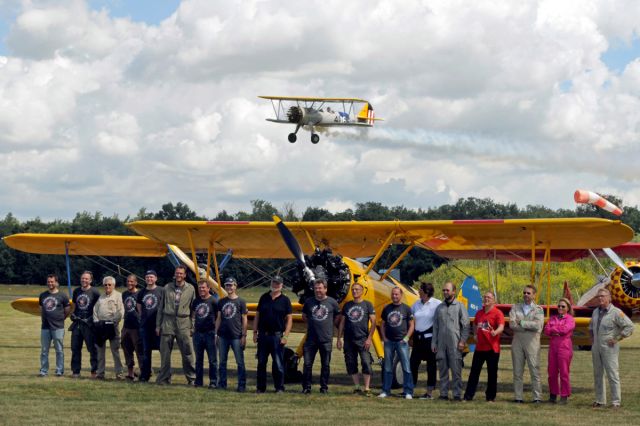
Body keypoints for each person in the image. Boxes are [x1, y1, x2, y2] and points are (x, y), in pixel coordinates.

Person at [590, 288, 634, 409]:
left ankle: (615, 402)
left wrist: (618, 338)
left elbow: (629, 326)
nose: (600, 298)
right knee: (598, 373)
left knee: (612, 374)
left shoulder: (616, 312)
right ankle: (600, 400)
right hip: (596, 347)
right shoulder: (595, 312)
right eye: (598, 296)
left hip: (610, 347)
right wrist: (592, 339)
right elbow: (591, 326)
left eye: (603, 296)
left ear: (609, 298)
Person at [155, 265, 196, 385]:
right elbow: (160, 308)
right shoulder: (167, 287)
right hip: (167, 321)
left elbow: (193, 308)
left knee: (188, 352)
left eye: (181, 273)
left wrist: (193, 325)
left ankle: (192, 378)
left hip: (184, 322)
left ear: (185, 275)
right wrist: (158, 325)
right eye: (177, 273)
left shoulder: (191, 288)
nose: (178, 275)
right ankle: (164, 378)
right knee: (165, 353)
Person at [253, 275, 292, 393]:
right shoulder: (264, 297)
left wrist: (285, 336)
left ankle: (279, 387)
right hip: (263, 336)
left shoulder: (285, 300)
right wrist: (255, 332)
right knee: (261, 362)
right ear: (271, 283)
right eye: (274, 283)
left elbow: (289, 319)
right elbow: (257, 316)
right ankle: (260, 387)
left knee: (278, 364)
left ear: (281, 285)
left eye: (278, 283)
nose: (275, 285)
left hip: (277, 336)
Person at [301, 277, 340, 394]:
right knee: (307, 364)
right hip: (311, 339)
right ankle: (306, 387)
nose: (318, 290)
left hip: (326, 339)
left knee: (326, 365)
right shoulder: (309, 302)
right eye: (316, 288)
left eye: (320, 288)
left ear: (325, 289)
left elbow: (338, 317)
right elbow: (304, 316)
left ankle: (324, 387)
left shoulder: (332, 302)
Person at [463, 291, 504, 402]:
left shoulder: (497, 313)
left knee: (492, 374)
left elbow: (501, 326)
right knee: (474, 373)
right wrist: (475, 334)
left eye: (489, 297)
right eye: (485, 297)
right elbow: (475, 324)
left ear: (493, 300)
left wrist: (496, 332)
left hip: (492, 348)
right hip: (480, 348)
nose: (486, 299)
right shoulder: (479, 313)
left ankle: (490, 397)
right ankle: (468, 396)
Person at [336, 282, 376, 396]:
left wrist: (369, 339)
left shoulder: (368, 304)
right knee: (351, 363)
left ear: (362, 291)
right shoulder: (347, 305)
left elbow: (373, 322)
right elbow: (342, 323)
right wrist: (339, 338)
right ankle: (357, 387)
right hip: (349, 339)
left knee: (366, 362)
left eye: (357, 289)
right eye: (353, 289)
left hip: (363, 338)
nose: (354, 291)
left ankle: (367, 388)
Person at [432, 282, 470, 401]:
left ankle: (457, 394)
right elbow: (435, 327)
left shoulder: (460, 306)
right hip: (441, 343)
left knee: (456, 370)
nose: (445, 292)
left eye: (447, 290)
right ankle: (443, 394)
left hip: (455, 343)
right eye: (443, 290)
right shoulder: (439, 308)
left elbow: (466, 325)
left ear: (454, 291)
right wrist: (434, 343)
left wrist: (462, 341)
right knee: (442, 370)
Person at [509, 285, 544, 403]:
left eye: (529, 293)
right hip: (517, 342)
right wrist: (529, 325)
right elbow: (512, 324)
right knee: (517, 371)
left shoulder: (538, 309)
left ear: (534, 295)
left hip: (532, 343)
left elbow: (538, 325)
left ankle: (537, 397)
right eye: (524, 292)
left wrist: (522, 323)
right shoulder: (515, 307)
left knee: (534, 370)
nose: (526, 295)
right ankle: (518, 397)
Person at [378, 286, 414, 399]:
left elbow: (412, 325)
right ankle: (386, 391)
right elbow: (382, 324)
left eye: (397, 294)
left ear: (401, 295)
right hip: (389, 342)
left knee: (406, 367)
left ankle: (408, 391)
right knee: (387, 367)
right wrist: (384, 337)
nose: (394, 296)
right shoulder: (387, 308)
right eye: (393, 294)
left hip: (402, 342)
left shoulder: (407, 309)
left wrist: (406, 338)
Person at [215, 277, 248, 392]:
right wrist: (216, 334)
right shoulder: (221, 301)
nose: (229, 287)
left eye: (231, 285)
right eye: (227, 285)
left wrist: (244, 335)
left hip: (236, 336)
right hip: (223, 336)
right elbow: (218, 318)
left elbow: (244, 319)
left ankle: (241, 385)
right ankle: (222, 384)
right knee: (222, 362)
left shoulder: (241, 301)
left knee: (240, 362)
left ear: (235, 286)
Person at [410, 282, 441, 399]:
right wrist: (410, 337)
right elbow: (411, 320)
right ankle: (410, 390)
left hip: (430, 340)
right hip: (417, 339)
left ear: (427, 291)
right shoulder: (415, 304)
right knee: (413, 364)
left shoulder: (437, 303)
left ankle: (429, 392)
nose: (418, 291)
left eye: (420, 290)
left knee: (431, 366)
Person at [543, 297, 575, 404]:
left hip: (564, 346)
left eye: (563, 306)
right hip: (553, 346)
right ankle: (553, 394)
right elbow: (547, 330)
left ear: (568, 308)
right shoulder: (553, 318)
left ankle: (564, 395)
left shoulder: (570, 319)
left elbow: (565, 330)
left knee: (564, 372)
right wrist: (555, 330)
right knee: (551, 372)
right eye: (559, 306)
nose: (560, 308)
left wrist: (554, 329)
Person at [38, 274, 71, 377]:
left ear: (56, 282)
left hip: (58, 327)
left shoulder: (63, 296)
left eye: (52, 281)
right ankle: (43, 371)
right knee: (44, 350)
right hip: (45, 327)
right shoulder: (42, 295)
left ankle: (59, 370)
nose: (50, 283)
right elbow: (41, 309)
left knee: (59, 350)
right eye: (48, 281)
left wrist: (61, 319)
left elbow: (67, 310)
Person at [70, 271, 101, 378]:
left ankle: (94, 371)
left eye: (86, 279)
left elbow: (98, 308)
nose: (84, 280)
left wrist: (92, 319)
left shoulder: (95, 292)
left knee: (92, 349)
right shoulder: (76, 291)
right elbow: (74, 306)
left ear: (90, 280)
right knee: (75, 348)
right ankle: (76, 371)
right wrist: (72, 314)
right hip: (77, 324)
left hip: (89, 325)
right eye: (83, 278)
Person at [93, 276, 125, 379]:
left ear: (114, 285)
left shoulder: (118, 296)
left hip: (112, 326)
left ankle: (119, 374)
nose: (107, 286)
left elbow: (120, 312)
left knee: (115, 351)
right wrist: (96, 322)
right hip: (100, 327)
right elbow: (95, 309)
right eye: (105, 284)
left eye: (109, 284)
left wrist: (113, 322)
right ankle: (100, 373)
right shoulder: (101, 297)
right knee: (100, 352)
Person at [191, 280, 218, 388]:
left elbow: (218, 317)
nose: (201, 289)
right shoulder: (196, 301)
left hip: (210, 333)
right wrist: (192, 328)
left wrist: (215, 333)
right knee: (198, 360)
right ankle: (198, 382)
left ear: (208, 288)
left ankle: (213, 382)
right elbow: (193, 315)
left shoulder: (213, 301)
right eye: (200, 288)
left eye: (203, 288)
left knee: (212, 360)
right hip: (198, 333)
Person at [136, 270, 162, 382]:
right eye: (147, 277)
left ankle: (165, 375)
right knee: (146, 351)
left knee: (163, 350)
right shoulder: (142, 292)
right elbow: (139, 306)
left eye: (151, 277)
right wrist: (144, 317)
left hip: (158, 325)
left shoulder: (161, 290)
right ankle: (145, 374)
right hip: (145, 326)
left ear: (156, 278)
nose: (149, 279)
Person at [121, 274, 143, 380]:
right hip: (126, 326)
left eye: (131, 281)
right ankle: (130, 374)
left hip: (136, 327)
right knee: (127, 350)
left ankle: (144, 373)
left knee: (139, 350)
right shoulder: (124, 294)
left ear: (136, 282)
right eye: (128, 281)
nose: (129, 283)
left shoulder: (140, 294)